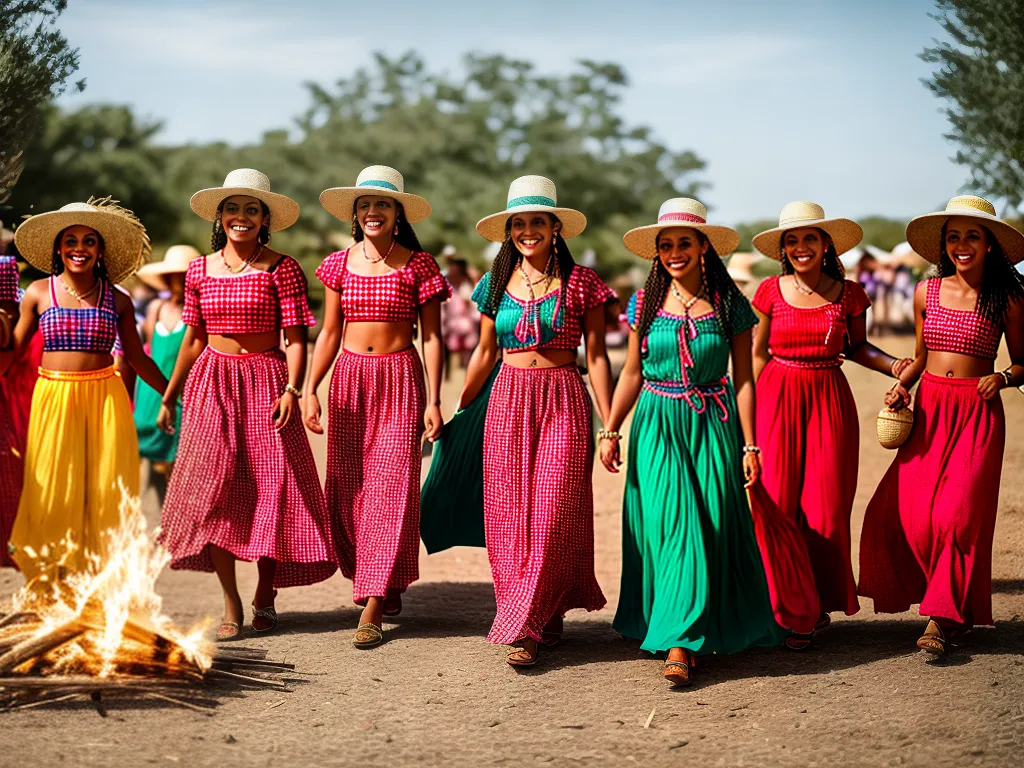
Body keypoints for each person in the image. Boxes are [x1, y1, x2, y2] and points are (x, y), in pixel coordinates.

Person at [600, 199, 813, 687]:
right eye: (666, 245)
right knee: (674, 529)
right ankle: (679, 640)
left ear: (703, 249)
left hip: (714, 426)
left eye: (684, 243)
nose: (675, 252)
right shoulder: (644, 303)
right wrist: (611, 427)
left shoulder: (730, 304)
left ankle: (696, 624)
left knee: (712, 526)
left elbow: (744, 381)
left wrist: (750, 445)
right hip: (656, 423)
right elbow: (631, 371)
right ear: (657, 254)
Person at [157, 169, 337, 640]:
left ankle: (265, 590)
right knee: (215, 490)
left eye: (252, 209)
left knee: (272, 487)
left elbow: (298, 340)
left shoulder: (282, 267)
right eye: (233, 208)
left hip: (267, 381)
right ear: (220, 216)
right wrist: (170, 395)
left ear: (264, 220)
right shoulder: (198, 270)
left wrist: (292, 391)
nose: (242, 217)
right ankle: (231, 600)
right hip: (212, 383)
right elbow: (193, 339)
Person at [459, 175, 614, 667]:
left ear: (555, 227)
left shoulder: (582, 283)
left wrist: (608, 423)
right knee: (509, 516)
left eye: (537, 222)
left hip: (564, 397)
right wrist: (459, 408)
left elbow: (600, 358)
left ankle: (529, 623)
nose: (528, 230)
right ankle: (532, 614)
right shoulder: (492, 284)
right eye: (519, 223)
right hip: (506, 399)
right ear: (510, 230)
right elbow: (484, 352)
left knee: (552, 510)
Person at [859, 196, 1024, 655]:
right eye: (954, 236)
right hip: (930, 410)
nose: (962, 245)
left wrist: (1004, 376)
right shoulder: (924, 292)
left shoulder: (1008, 298)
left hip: (977, 413)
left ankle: (943, 618)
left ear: (990, 244)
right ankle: (949, 607)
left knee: (958, 516)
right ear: (943, 245)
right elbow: (921, 356)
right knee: (917, 517)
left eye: (972, 235)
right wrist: (901, 386)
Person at [750, 202, 912, 638]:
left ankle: (815, 605)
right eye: (792, 240)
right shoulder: (768, 291)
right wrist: (744, 413)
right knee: (776, 501)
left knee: (826, 507)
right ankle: (781, 602)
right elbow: (757, 353)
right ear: (783, 248)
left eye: (809, 238)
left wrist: (894, 366)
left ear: (826, 245)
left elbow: (859, 348)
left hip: (829, 400)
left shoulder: (851, 293)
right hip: (775, 396)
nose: (800, 247)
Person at [304, 165, 449, 649]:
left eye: (382, 204)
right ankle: (378, 575)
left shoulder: (420, 266)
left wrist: (433, 398)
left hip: (400, 380)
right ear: (355, 213)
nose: (373, 211)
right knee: (347, 488)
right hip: (348, 381)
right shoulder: (337, 264)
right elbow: (327, 333)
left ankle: (372, 600)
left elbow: (432, 337)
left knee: (391, 487)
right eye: (365, 204)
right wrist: (309, 389)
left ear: (397, 213)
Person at [3, 199, 168, 592]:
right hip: (53, 400)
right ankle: (53, 585)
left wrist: (176, 392)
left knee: (103, 491)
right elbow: (12, 353)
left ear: (100, 250)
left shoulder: (119, 299)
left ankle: (96, 587)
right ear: (58, 249)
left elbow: (137, 359)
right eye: (71, 240)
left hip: (105, 399)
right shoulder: (39, 293)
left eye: (89, 240)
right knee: (52, 490)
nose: (80, 247)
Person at [134, 245, 201, 503]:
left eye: (184, 275)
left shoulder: (200, 312)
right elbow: (150, 350)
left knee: (177, 460)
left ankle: (175, 523)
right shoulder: (156, 309)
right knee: (146, 453)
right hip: (151, 390)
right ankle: (155, 524)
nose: (179, 281)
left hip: (184, 392)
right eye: (174, 275)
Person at [440, 250, 481, 373]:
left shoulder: (467, 284)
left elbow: (471, 303)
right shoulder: (446, 282)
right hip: (453, 321)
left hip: (466, 320)